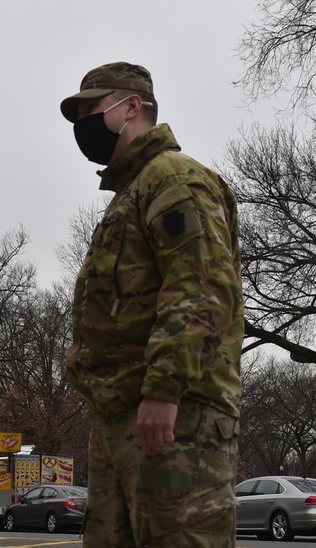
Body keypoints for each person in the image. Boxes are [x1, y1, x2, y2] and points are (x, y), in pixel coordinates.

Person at [59, 62, 244, 548]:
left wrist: (163, 390)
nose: (84, 126)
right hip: (123, 420)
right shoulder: (130, 194)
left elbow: (202, 288)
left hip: (177, 423)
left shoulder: (173, 178)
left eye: (92, 111)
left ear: (132, 107)